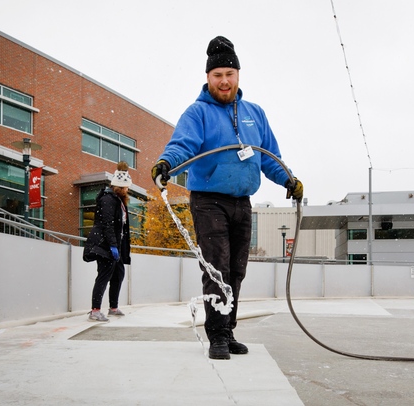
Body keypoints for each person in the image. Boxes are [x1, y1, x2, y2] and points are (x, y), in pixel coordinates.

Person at [151, 36, 303, 360]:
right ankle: (216, 335)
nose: (224, 81)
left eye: (229, 74)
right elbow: (183, 146)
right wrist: (167, 163)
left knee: (236, 270)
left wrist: (288, 179)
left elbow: (269, 156)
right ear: (208, 78)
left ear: (238, 76)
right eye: (217, 74)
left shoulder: (255, 114)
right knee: (217, 268)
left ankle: (228, 330)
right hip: (208, 200)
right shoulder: (198, 113)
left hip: (242, 202)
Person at [83, 161, 132, 322]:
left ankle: (113, 307)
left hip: (114, 244)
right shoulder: (108, 199)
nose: (128, 190)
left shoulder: (118, 200)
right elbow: (108, 224)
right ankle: (95, 311)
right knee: (104, 275)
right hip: (104, 245)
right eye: (126, 187)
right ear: (120, 187)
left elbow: (121, 227)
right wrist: (112, 245)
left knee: (118, 273)